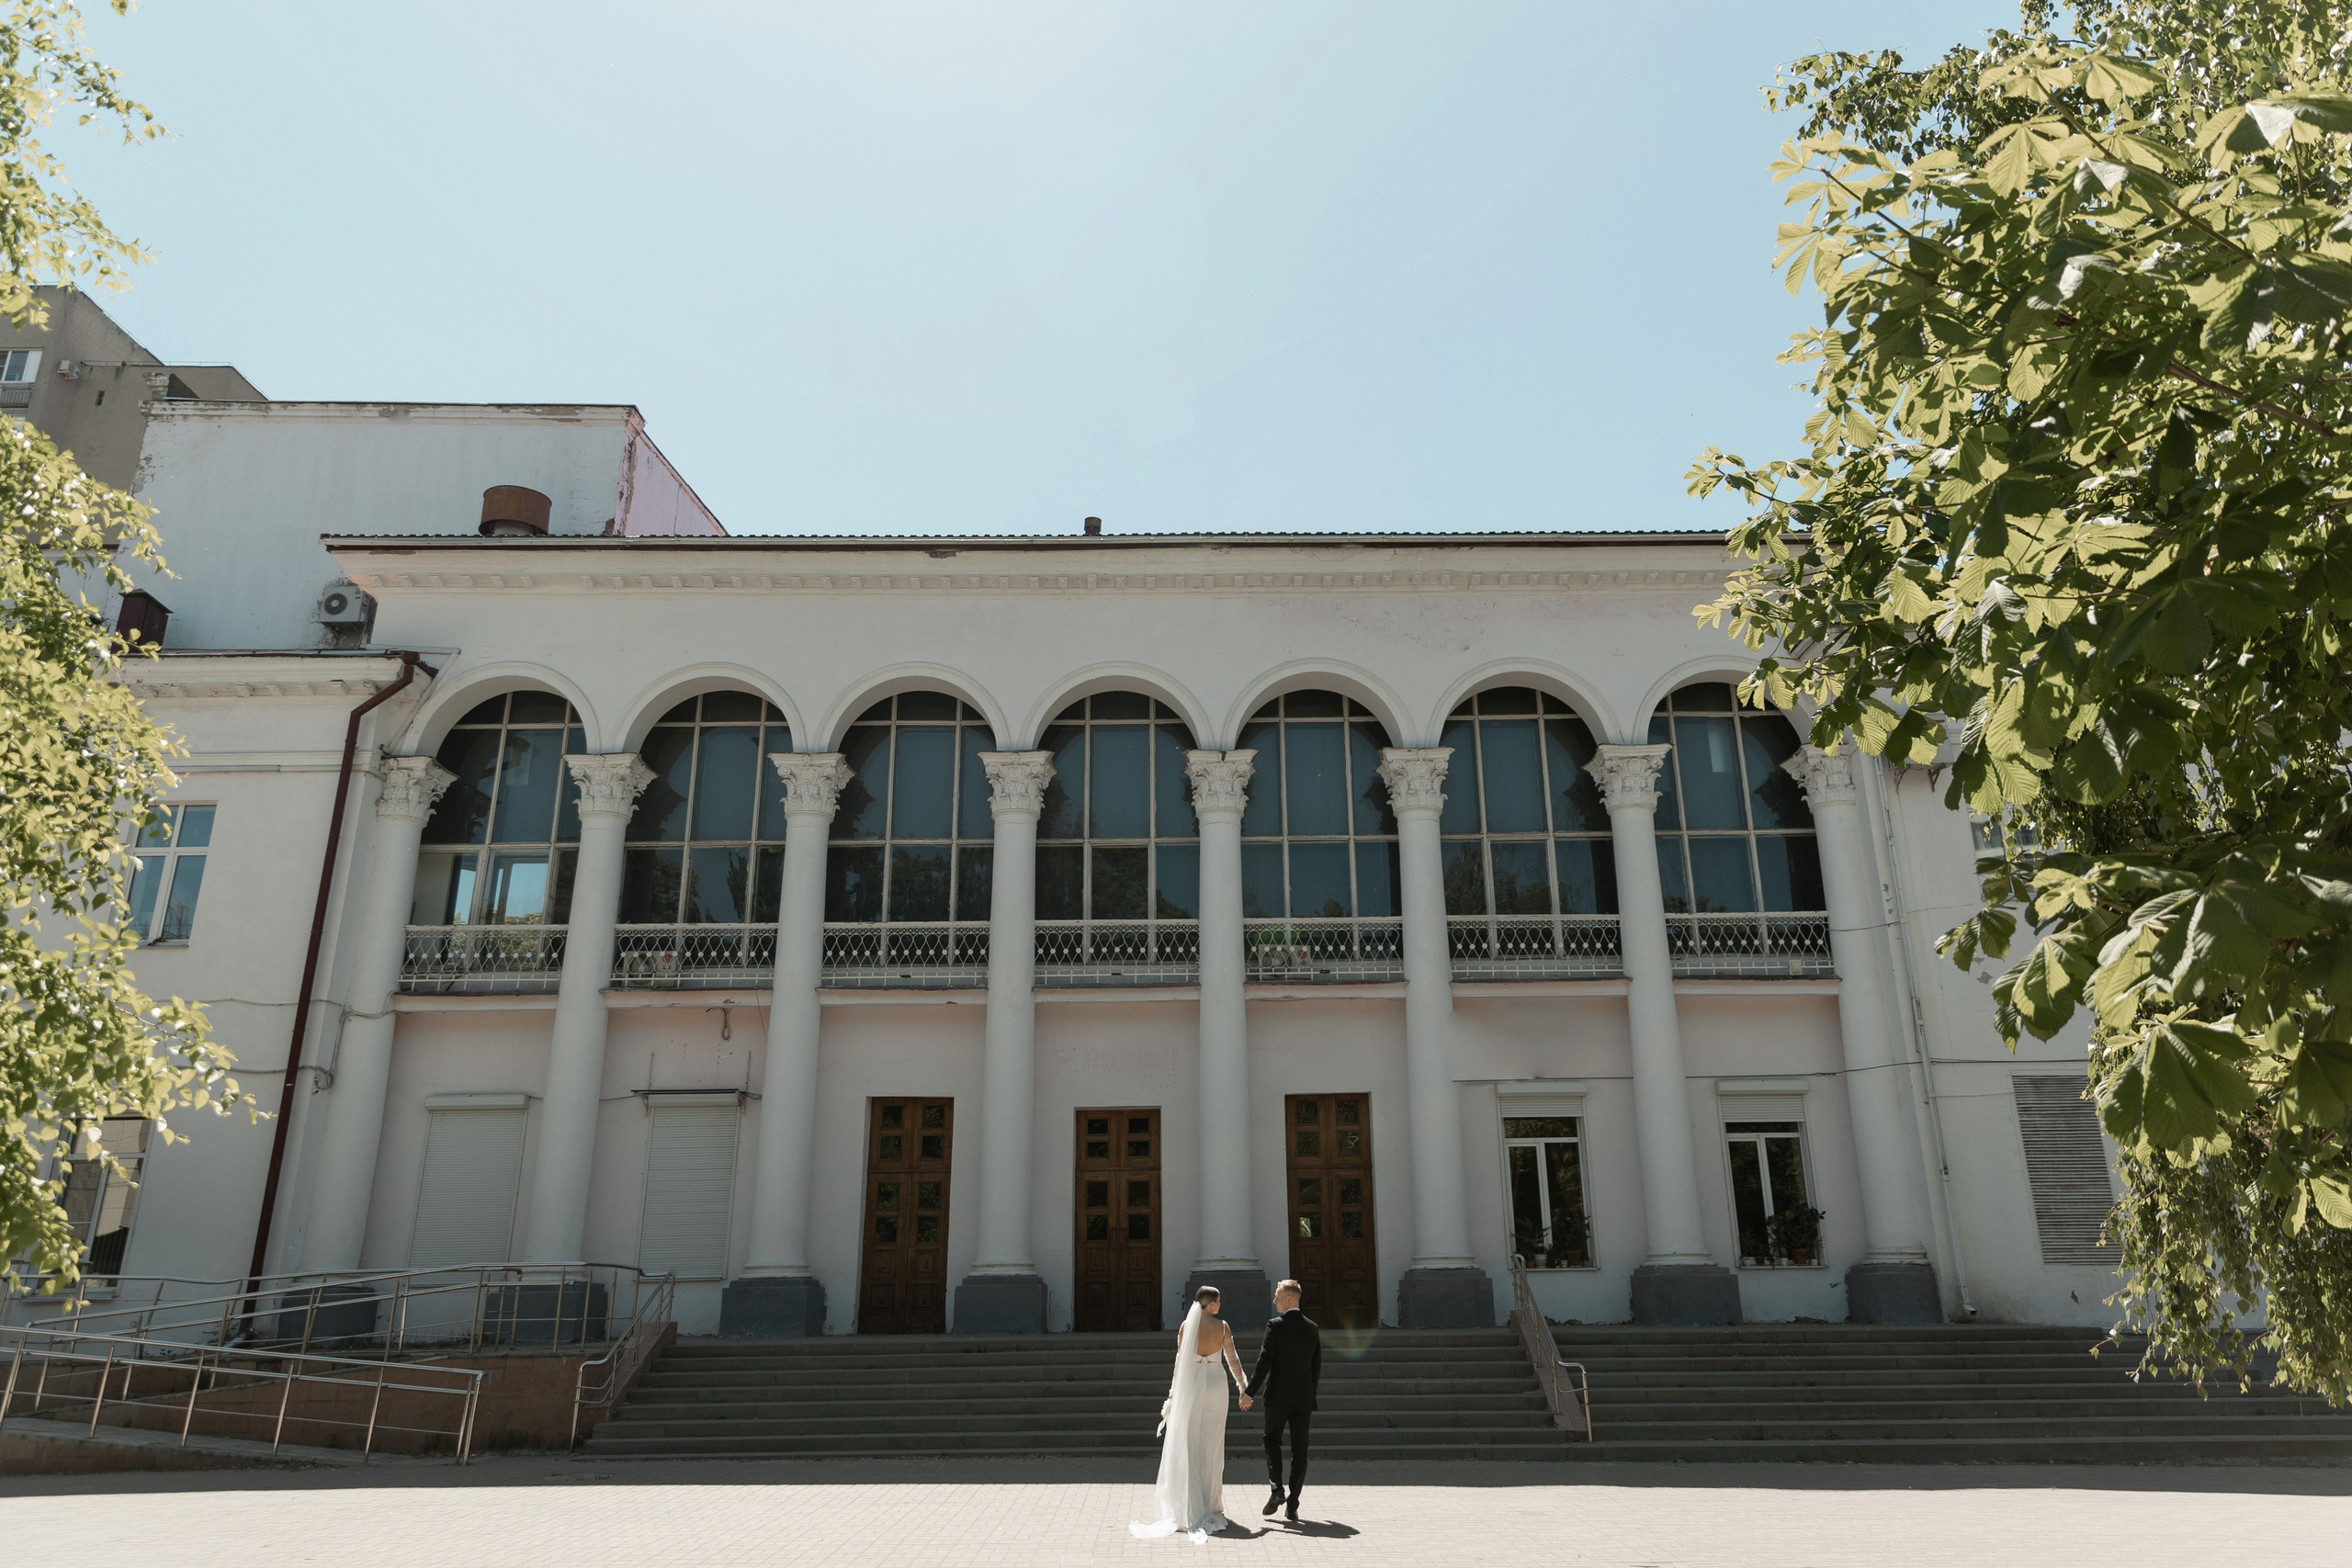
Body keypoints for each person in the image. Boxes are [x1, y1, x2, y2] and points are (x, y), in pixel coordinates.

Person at [1130, 1285, 1251, 1542]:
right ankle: (1209, 1506)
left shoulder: (1186, 1326)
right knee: (1212, 1444)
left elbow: (1179, 1363)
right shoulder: (1223, 1327)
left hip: (1191, 1386)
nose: (1220, 1304)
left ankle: (1188, 1504)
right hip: (1216, 1385)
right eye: (1218, 1300)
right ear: (1211, 1304)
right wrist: (1243, 1388)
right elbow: (1234, 1361)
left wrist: (1173, 1395)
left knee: (1189, 1442)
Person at [1246, 1278, 1322, 1523]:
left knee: (1270, 1440)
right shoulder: (1312, 1327)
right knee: (1301, 1451)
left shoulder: (1275, 1325)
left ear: (1289, 1299)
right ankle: (1293, 1505)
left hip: (1278, 1397)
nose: (1274, 1299)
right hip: (1303, 1399)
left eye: (1277, 1295)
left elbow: (1264, 1361)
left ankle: (1277, 1489)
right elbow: (1316, 1367)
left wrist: (1249, 1392)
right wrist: (1310, 1394)